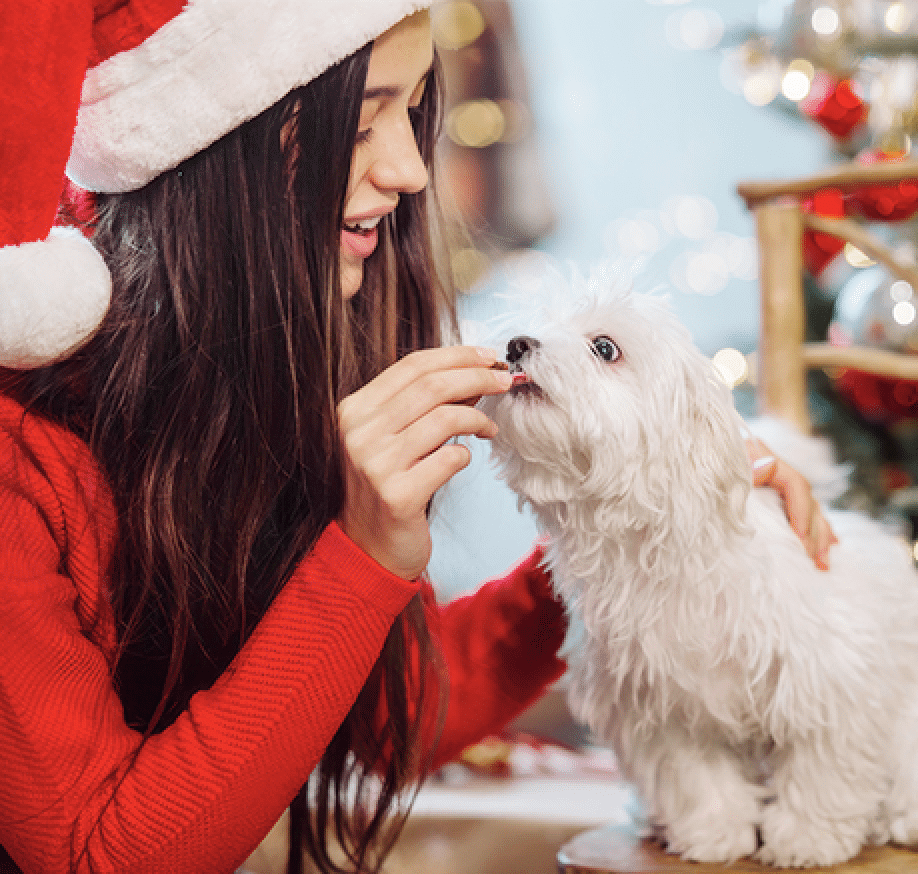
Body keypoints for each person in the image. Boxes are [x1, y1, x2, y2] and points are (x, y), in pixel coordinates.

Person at [0, 3, 834, 873]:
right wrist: (358, 557)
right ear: (212, 150)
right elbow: (99, 854)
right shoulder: (19, 455)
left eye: (415, 113)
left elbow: (396, 712)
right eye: (363, 125)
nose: (407, 170)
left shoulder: (286, 371)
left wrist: (618, 542)